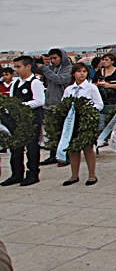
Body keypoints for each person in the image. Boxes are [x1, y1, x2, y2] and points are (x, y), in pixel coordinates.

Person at [1, 56, 45, 186]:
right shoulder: (15, 83)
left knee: (31, 147)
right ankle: (16, 174)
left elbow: (39, 101)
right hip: (17, 119)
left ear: (28, 67)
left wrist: (22, 106)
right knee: (16, 147)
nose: (16, 70)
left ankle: (32, 174)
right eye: (15, 67)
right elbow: (11, 99)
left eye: (18, 67)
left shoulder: (35, 82)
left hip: (31, 119)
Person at [60, 62, 104, 186]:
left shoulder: (91, 88)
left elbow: (99, 104)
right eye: (79, 71)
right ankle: (74, 175)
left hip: (86, 120)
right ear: (74, 74)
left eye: (84, 71)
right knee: (73, 148)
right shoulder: (69, 89)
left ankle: (92, 175)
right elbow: (63, 103)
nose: (82, 74)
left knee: (88, 148)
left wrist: (88, 110)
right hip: (72, 121)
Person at [35, 48, 73, 165]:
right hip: (50, 103)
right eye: (51, 58)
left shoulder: (69, 69)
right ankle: (53, 154)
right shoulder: (52, 69)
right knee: (52, 131)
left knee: (63, 131)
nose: (53, 61)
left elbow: (60, 80)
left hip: (61, 104)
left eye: (55, 58)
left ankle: (65, 155)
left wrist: (44, 69)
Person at [92, 53, 116, 135]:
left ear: (112, 61)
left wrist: (110, 85)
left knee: (114, 121)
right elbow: (93, 84)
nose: (104, 62)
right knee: (102, 122)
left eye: (106, 60)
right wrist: (98, 84)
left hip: (115, 98)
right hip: (102, 98)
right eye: (103, 60)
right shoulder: (99, 72)